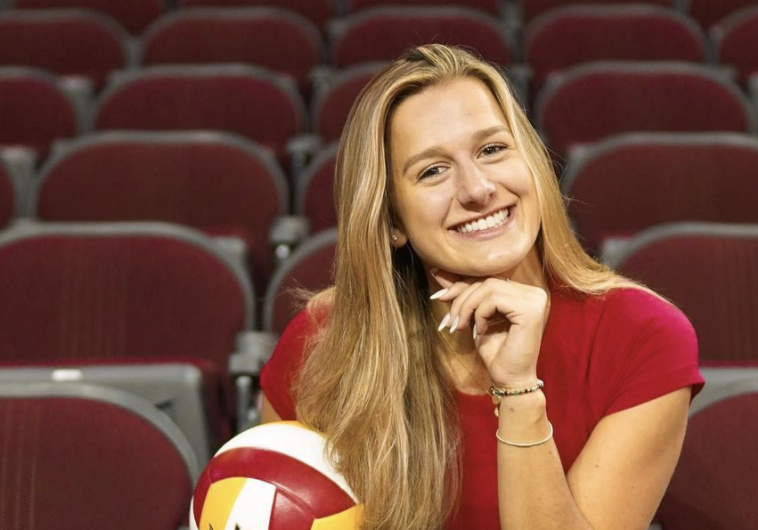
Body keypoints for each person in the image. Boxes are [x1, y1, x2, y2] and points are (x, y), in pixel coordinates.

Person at [259, 44, 703, 530]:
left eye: (492, 149)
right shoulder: (324, 342)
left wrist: (517, 389)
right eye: (432, 170)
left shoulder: (641, 337)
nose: (477, 189)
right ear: (391, 220)